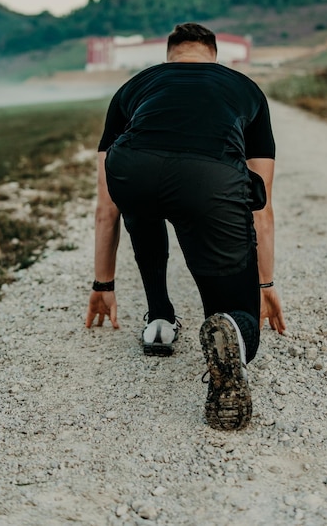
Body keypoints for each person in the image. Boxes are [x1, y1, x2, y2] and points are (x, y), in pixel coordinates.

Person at [85, 22, 285, 431]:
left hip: (132, 169)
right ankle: (229, 327)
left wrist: (102, 285)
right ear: (214, 55)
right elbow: (260, 206)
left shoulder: (135, 86)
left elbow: (107, 207)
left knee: (139, 195)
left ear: (169, 55)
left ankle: (159, 320)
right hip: (209, 181)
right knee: (235, 307)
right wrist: (263, 286)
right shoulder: (244, 88)